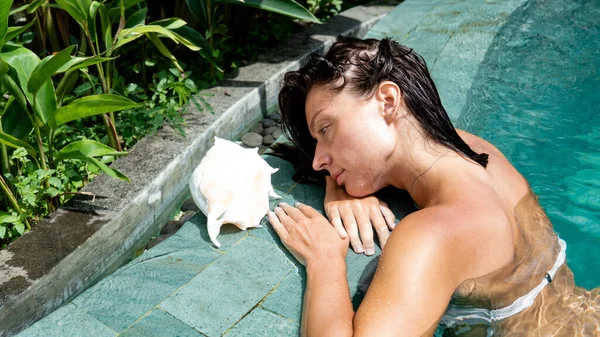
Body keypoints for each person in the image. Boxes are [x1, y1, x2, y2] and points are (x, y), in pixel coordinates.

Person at [266, 36, 600, 337]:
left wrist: (325, 259)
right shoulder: (480, 154)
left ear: (387, 100)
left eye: (325, 128)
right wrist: (339, 183)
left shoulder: (433, 235)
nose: (317, 161)